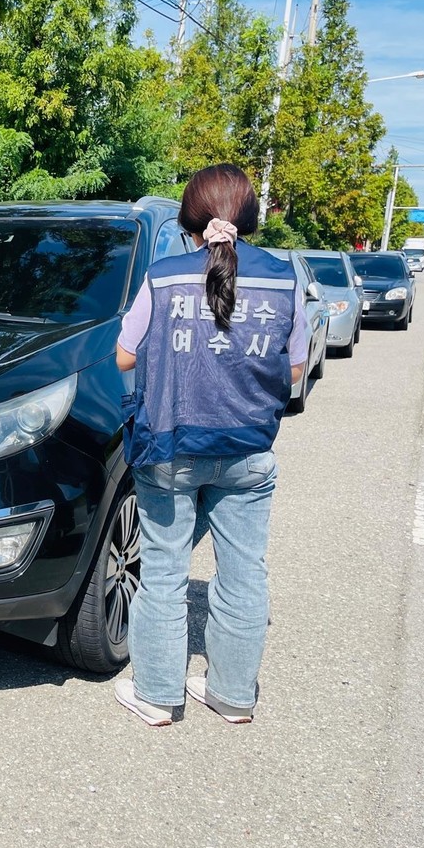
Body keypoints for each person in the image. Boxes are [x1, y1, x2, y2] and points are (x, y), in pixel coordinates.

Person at [113, 164, 307, 727]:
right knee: (244, 571)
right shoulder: (282, 277)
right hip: (248, 450)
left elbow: (126, 356)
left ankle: (156, 695)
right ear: (248, 219)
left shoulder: (165, 274)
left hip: (170, 447)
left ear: (189, 222)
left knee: (165, 573)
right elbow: (294, 370)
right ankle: (231, 696)